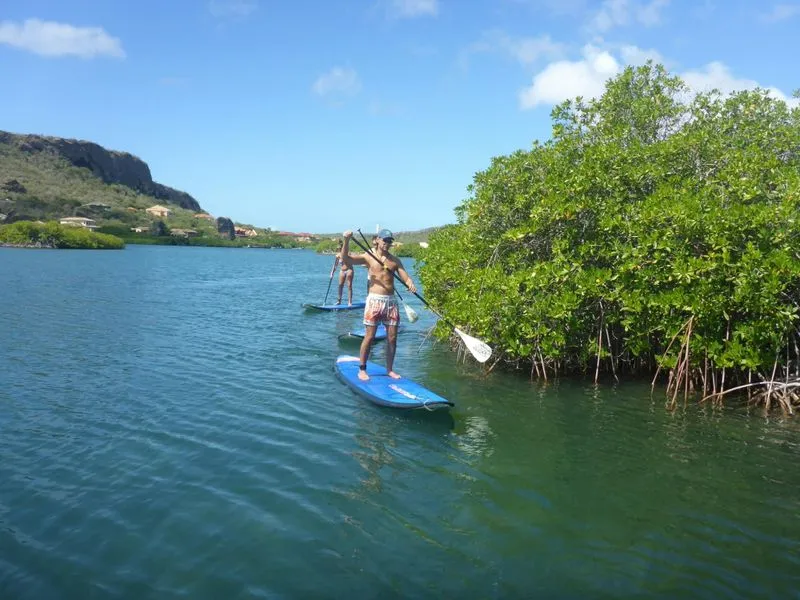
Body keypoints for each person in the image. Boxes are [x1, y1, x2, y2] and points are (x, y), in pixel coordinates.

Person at [341, 229, 417, 381]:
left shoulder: (394, 260)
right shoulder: (368, 257)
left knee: (392, 338)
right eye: (385, 240)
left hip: (391, 302)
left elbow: (405, 277)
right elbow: (346, 259)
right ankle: (362, 369)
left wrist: (410, 283)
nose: (387, 243)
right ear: (377, 240)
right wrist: (347, 240)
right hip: (374, 300)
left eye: (390, 241)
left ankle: (389, 369)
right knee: (369, 336)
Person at [334, 240, 354, 305]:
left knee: (349, 286)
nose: (339, 249)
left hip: (349, 270)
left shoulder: (348, 253)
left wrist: (344, 256)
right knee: (340, 285)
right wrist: (332, 272)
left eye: (340, 247)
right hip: (342, 271)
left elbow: (352, 259)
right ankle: (339, 301)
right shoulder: (337, 255)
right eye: (338, 248)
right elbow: (335, 264)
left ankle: (350, 302)